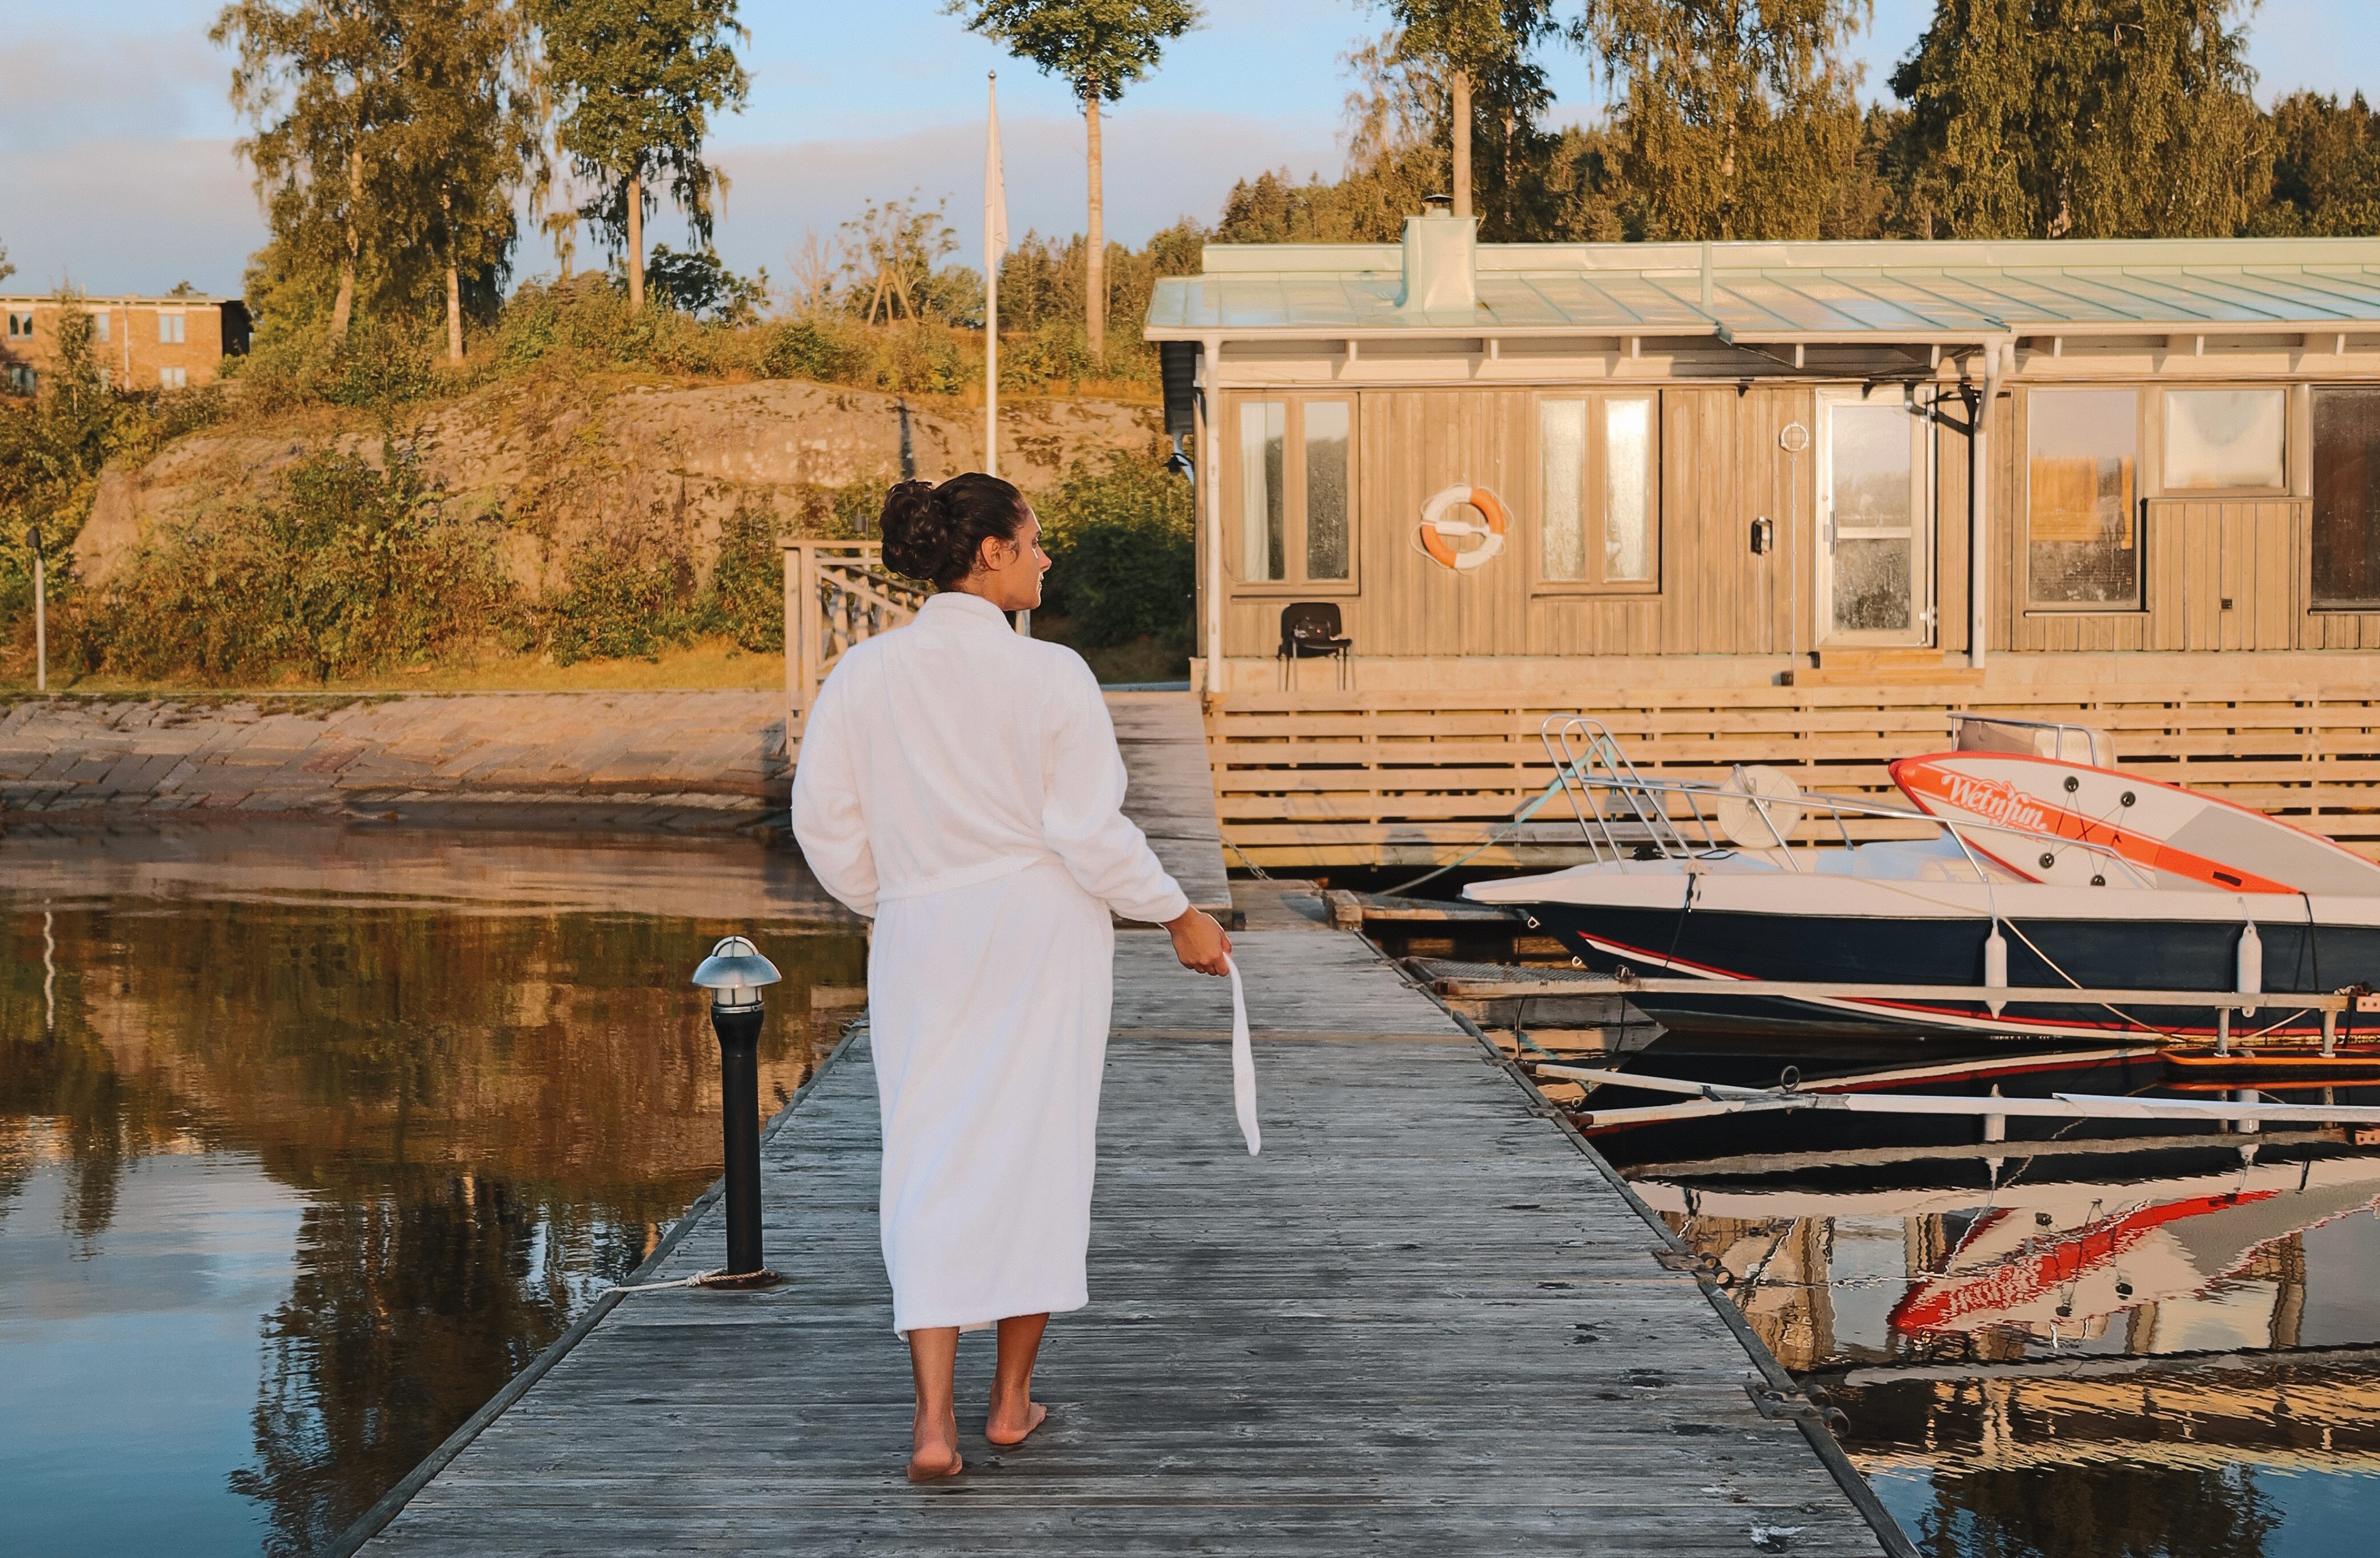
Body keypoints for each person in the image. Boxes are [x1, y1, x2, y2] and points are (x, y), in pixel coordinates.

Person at [790, 471, 1234, 1484]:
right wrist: (1178, 910)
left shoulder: (863, 674)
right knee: (1038, 1148)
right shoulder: (1053, 676)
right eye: (1035, 540)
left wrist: (900, 895)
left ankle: (933, 1423)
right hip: (1039, 931)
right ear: (989, 550)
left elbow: (824, 824)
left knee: (929, 1153)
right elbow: (1086, 829)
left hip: (919, 934)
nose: (1046, 557)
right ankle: (1008, 1404)